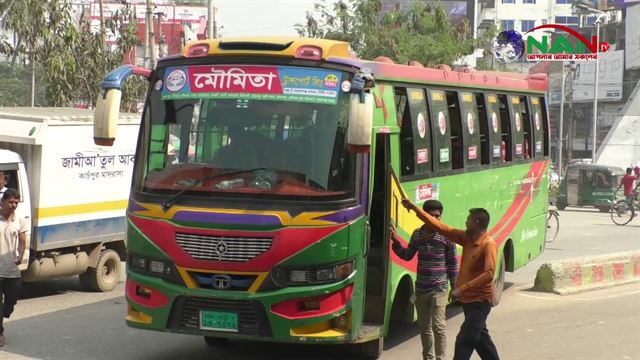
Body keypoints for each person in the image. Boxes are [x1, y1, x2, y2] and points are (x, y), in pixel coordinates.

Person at [401, 198, 500, 360]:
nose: (465, 222)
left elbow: (488, 274)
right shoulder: (465, 238)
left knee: (464, 341)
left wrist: (461, 288)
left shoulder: (488, 245)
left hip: (480, 301)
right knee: (482, 341)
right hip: (468, 301)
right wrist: (413, 207)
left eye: (468, 220)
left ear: (476, 222)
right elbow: (440, 227)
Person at [390, 200, 457, 360]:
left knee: (438, 326)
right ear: (424, 217)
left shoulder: (447, 236)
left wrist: (455, 288)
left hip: (439, 288)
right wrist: (395, 240)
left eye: (438, 216)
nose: (435, 219)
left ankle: (441, 357)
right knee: (424, 327)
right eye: (431, 215)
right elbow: (407, 255)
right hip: (421, 290)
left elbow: (453, 265)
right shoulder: (417, 235)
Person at [0, 189, 27, 347]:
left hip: (12, 270)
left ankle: (5, 312)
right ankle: (0, 332)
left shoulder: (20, 219)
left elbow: (23, 240)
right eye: (11, 202)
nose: (14, 205)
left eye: (16, 202)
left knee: (12, 300)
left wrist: (21, 254)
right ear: (2, 201)